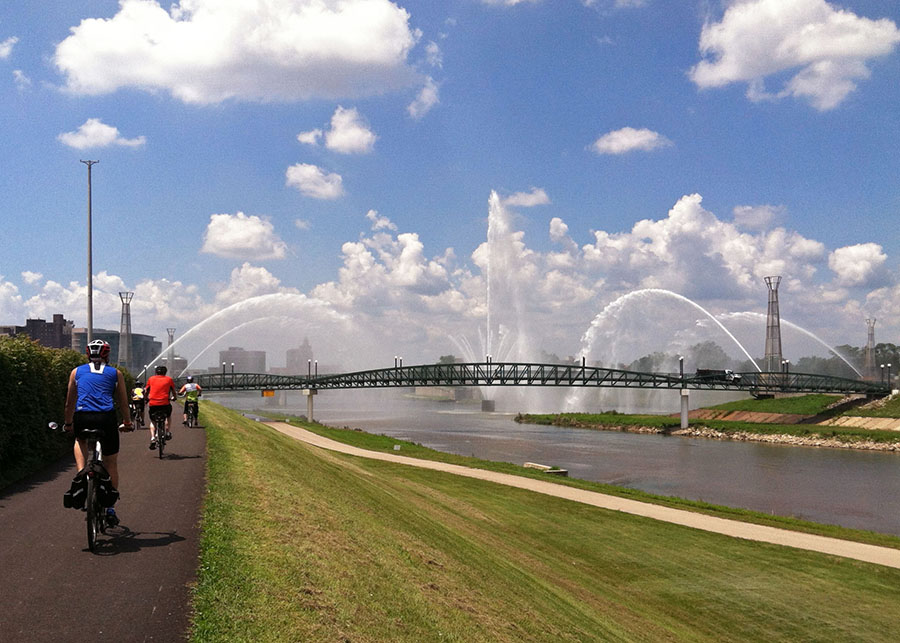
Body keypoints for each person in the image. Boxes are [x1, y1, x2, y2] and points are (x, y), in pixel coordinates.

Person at [64, 339, 133, 526]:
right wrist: (127, 422)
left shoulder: (76, 372)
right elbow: (123, 402)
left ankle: (81, 473)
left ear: (88, 354)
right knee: (111, 461)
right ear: (107, 355)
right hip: (106, 418)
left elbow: (70, 402)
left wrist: (68, 424)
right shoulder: (115, 373)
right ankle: (110, 509)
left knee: (80, 441)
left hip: (82, 416)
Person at [144, 365, 177, 450]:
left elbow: (146, 390)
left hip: (153, 404)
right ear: (165, 372)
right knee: (168, 416)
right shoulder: (169, 379)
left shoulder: (151, 379)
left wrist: (146, 398)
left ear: (156, 372)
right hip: (165, 404)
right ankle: (168, 432)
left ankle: (152, 438)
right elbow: (173, 391)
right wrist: (174, 397)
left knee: (153, 420)